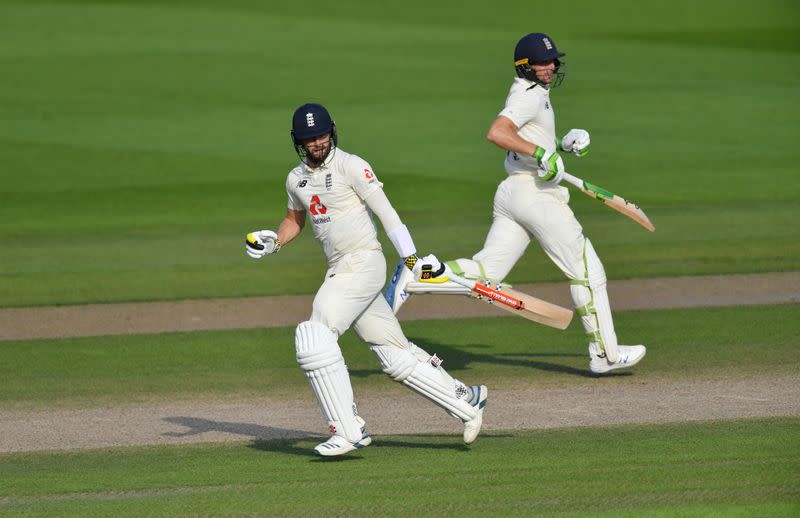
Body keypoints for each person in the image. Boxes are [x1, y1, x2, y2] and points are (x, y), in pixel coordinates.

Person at [385, 33, 646, 375]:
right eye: (543, 62)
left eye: (553, 61)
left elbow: (525, 139)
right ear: (525, 66)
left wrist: (559, 146)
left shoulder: (532, 93)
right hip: (538, 198)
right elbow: (498, 132)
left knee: (486, 272)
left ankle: (416, 275)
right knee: (587, 270)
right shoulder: (530, 95)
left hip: (513, 193)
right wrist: (540, 153)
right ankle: (605, 354)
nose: (551, 67)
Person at [245, 103, 487, 457]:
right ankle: (467, 401)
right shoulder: (295, 179)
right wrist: (274, 242)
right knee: (392, 353)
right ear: (298, 142)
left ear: (332, 132)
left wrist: (412, 260)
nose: (318, 143)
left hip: (364, 261)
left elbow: (388, 215)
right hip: (340, 268)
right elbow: (295, 220)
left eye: (322, 135)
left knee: (314, 335)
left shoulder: (352, 166)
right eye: (310, 138)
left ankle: (348, 429)